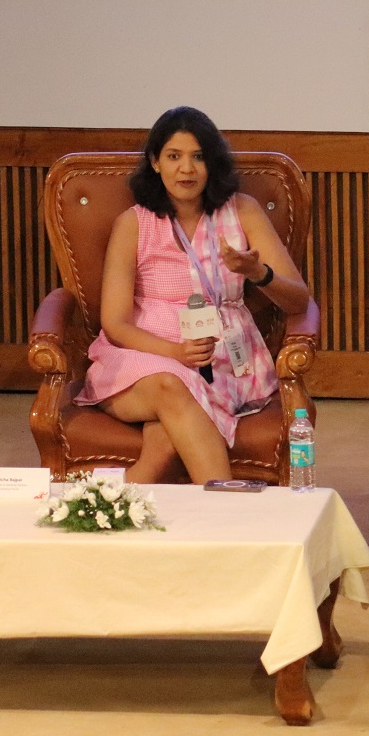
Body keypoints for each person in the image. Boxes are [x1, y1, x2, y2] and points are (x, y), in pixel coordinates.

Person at [75, 106, 312, 483]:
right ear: (155, 162)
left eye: (198, 157)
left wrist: (258, 273)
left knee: (163, 447)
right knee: (172, 384)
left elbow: (299, 299)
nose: (186, 169)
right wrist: (174, 353)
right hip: (142, 355)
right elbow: (115, 323)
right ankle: (224, 514)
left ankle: (106, 505)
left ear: (212, 163)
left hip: (221, 360)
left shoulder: (243, 212)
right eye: (173, 156)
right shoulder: (133, 224)